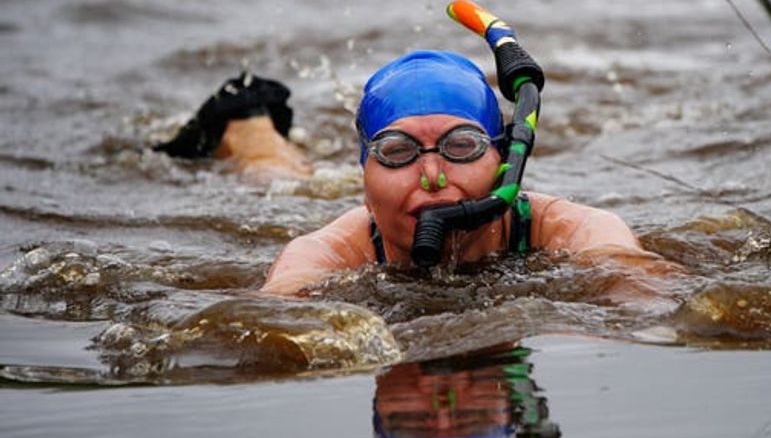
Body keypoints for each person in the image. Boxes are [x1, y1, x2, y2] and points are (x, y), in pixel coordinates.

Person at [156, 50, 684, 296]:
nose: (431, 175)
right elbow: (272, 317)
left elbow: (637, 282)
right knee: (270, 180)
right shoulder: (331, 252)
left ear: (504, 162)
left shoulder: (566, 229)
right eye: (395, 151)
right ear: (364, 176)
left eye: (461, 146)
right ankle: (248, 123)